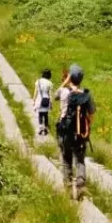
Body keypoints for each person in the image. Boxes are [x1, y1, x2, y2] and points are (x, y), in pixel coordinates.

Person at [55, 63, 96, 200]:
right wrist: (86, 128)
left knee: (66, 158)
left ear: (70, 77)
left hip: (65, 132)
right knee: (79, 160)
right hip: (80, 133)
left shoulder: (64, 92)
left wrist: (64, 83)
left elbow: (55, 95)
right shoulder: (86, 94)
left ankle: (67, 187)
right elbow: (91, 114)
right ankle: (80, 186)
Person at [31, 68, 54, 136]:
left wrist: (33, 100)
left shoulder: (38, 81)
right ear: (49, 75)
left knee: (40, 114)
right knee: (46, 115)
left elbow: (35, 92)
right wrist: (51, 103)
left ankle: (41, 127)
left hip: (39, 100)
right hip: (46, 101)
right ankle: (46, 128)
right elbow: (50, 94)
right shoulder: (50, 83)